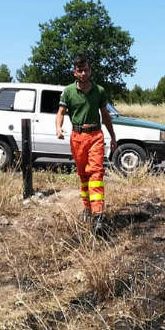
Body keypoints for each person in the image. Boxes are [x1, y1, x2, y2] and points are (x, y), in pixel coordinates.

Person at [56, 55, 117, 234]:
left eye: (86, 70)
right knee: (83, 175)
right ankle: (87, 208)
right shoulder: (68, 91)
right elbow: (60, 112)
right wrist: (58, 128)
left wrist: (112, 136)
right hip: (77, 137)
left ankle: (99, 214)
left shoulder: (99, 90)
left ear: (90, 71)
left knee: (96, 173)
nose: (83, 73)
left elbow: (105, 115)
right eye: (80, 70)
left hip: (96, 136)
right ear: (75, 72)